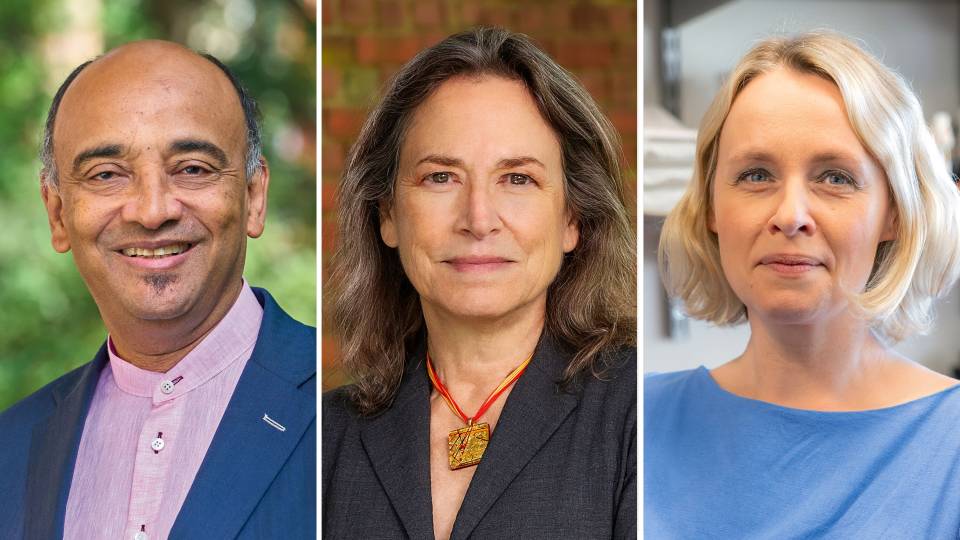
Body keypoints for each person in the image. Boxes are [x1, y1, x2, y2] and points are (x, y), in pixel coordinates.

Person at [323, 28, 636, 539]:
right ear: (388, 215)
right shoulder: (326, 435)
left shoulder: (638, 412)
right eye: (441, 177)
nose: (479, 219)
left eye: (518, 178)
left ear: (572, 218)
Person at [647, 32, 960, 537]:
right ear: (710, 207)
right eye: (755, 175)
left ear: (895, 214)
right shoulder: (636, 418)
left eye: (835, 178)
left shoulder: (950, 443)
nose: (790, 215)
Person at [0, 41, 316, 538]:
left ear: (254, 197)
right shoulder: (11, 449)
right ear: (57, 214)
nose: (152, 211)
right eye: (107, 175)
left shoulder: (349, 403)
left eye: (192, 168)